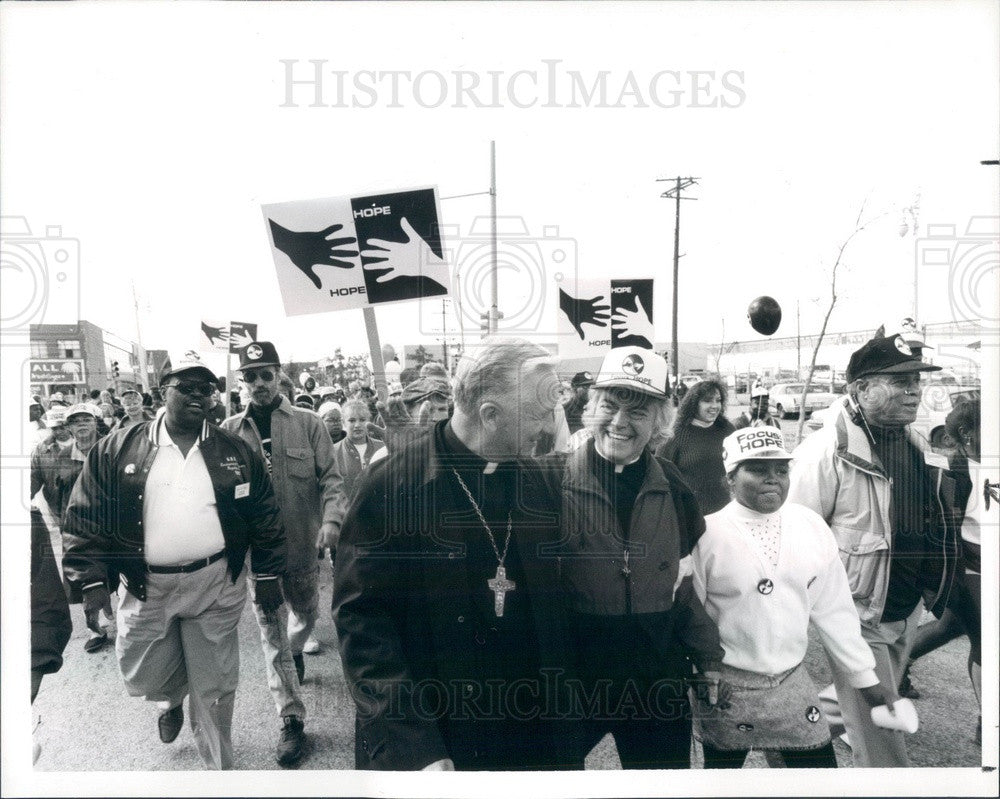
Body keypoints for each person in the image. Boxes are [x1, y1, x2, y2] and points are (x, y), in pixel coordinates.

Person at [333, 337, 583, 771]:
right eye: (540, 415)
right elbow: (363, 623)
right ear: (490, 415)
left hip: (530, 731)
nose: (548, 428)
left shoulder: (539, 482)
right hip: (439, 734)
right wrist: (415, 746)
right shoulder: (392, 487)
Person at [61, 354, 285, 769]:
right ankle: (170, 697)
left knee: (215, 685)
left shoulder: (235, 449)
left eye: (207, 389)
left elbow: (265, 513)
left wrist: (269, 572)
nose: (198, 395)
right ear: (163, 391)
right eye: (187, 387)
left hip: (216, 583)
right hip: (146, 586)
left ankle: (219, 773)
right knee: (145, 672)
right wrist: (90, 583)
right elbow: (84, 516)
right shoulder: (117, 448)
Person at [541, 347, 724, 769]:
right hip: (575, 673)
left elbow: (683, 582)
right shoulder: (549, 480)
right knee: (553, 783)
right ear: (591, 408)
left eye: (639, 412)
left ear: (660, 421)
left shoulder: (674, 484)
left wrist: (707, 656)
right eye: (610, 405)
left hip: (656, 672)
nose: (620, 422)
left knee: (662, 786)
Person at [787, 331, 960, 767]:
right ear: (861, 389)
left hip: (904, 609)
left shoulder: (914, 442)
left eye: (917, 382)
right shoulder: (824, 453)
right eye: (901, 382)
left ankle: (785, 731)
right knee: (885, 743)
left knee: (857, 702)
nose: (915, 391)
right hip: (858, 614)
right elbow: (795, 538)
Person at [691, 427, 893, 768]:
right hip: (725, 685)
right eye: (757, 470)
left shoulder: (810, 526)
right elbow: (691, 614)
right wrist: (699, 671)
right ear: (730, 479)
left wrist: (866, 681)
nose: (773, 480)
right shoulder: (707, 533)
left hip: (791, 681)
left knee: (819, 776)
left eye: (781, 470)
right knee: (721, 779)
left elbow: (835, 612)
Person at [222, 341, 342, 765]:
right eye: (250, 376)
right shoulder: (230, 431)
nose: (258, 383)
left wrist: (331, 520)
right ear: (242, 382)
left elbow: (331, 477)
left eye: (266, 374)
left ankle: (296, 649)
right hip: (261, 560)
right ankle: (291, 720)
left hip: (303, 548)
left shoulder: (309, 423)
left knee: (307, 615)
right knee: (270, 636)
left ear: (279, 377)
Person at [898, 400, 982, 743]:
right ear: (966, 433)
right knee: (987, 639)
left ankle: (896, 669)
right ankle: (988, 721)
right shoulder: (953, 467)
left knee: (951, 627)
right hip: (967, 567)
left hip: (983, 563)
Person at [655, 377, 736, 516]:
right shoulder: (676, 434)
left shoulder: (727, 429)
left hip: (724, 512)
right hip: (688, 515)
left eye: (718, 400)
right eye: (707, 400)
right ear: (694, 404)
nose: (715, 406)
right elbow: (658, 476)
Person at [563, 370, 593, 434]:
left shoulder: (594, 409)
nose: (589, 389)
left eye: (591, 386)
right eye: (585, 386)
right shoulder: (566, 410)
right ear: (575, 388)